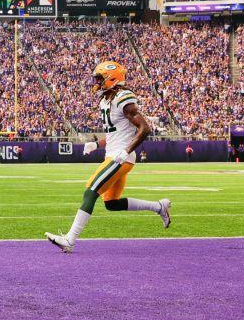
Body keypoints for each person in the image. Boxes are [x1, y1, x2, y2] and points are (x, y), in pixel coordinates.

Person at [46, 62, 171, 253]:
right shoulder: (106, 100)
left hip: (120, 157)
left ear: (111, 78)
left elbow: (145, 128)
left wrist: (126, 150)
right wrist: (96, 144)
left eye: (99, 79)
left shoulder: (123, 98)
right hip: (114, 154)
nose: (96, 83)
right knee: (111, 203)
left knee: (90, 191)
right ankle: (159, 207)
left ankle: (70, 239)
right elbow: (115, 133)